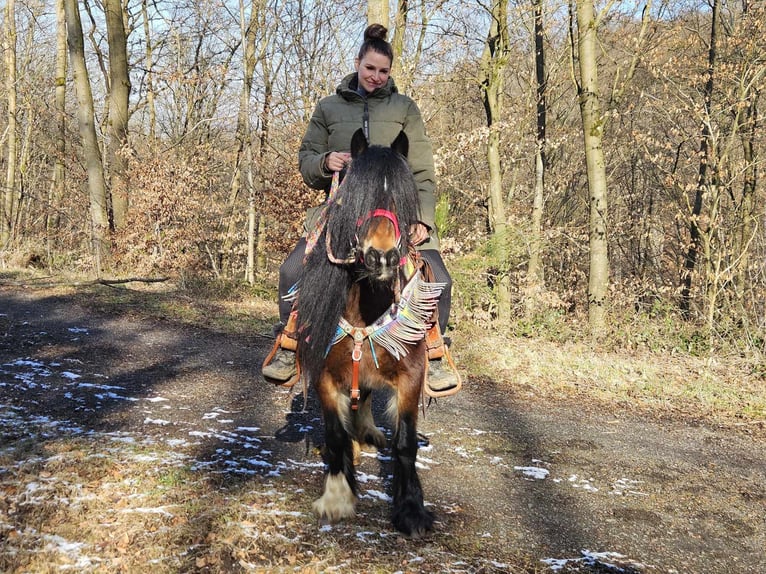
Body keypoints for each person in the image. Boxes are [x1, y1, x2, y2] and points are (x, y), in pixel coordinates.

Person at [263, 23, 457, 392]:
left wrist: (423, 220)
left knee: (440, 279)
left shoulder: (404, 108)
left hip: (396, 216)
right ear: (358, 63)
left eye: (384, 71)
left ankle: (435, 350)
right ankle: (289, 346)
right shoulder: (329, 107)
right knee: (291, 271)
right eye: (370, 69)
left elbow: (423, 171)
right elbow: (306, 160)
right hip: (340, 213)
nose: (376, 77)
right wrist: (324, 162)